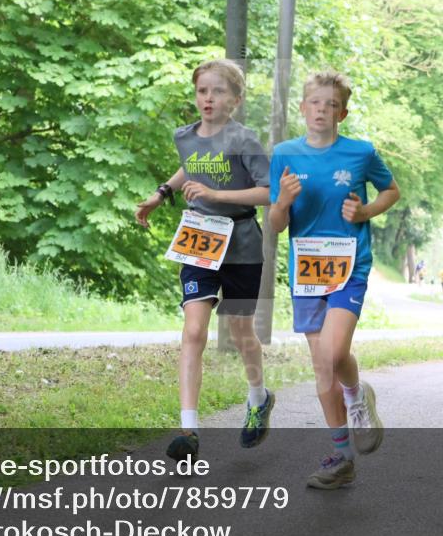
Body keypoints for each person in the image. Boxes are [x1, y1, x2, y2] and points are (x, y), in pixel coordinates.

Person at [135, 59, 273, 461]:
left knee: (240, 332)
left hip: (242, 245)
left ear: (236, 100)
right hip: (200, 241)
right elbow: (191, 166)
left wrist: (216, 195)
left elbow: (268, 192)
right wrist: (161, 193)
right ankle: (188, 430)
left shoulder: (245, 140)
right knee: (193, 329)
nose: (208, 98)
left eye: (218, 91)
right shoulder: (185, 136)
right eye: (202, 91)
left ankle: (259, 398)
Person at [269, 71, 400, 490]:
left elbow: (391, 191)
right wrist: (283, 202)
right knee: (322, 365)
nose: (322, 110)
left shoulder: (360, 153)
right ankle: (342, 457)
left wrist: (365, 212)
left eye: (331, 104)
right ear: (303, 108)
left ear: (342, 113)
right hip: (306, 271)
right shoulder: (284, 154)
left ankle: (357, 395)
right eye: (315, 102)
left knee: (333, 351)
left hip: (350, 266)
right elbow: (275, 223)